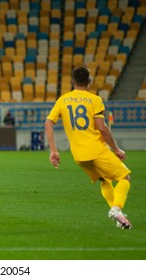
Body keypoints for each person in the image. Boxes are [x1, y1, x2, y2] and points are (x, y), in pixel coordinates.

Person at [45, 66, 132, 229]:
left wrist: (54, 150)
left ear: (73, 81)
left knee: (104, 180)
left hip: (79, 155)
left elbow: (48, 123)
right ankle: (116, 208)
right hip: (96, 149)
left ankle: (118, 215)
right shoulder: (95, 100)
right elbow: (102, 128)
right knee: (125, 178)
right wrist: (116, 149)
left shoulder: (63, 100)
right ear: (89, 82)